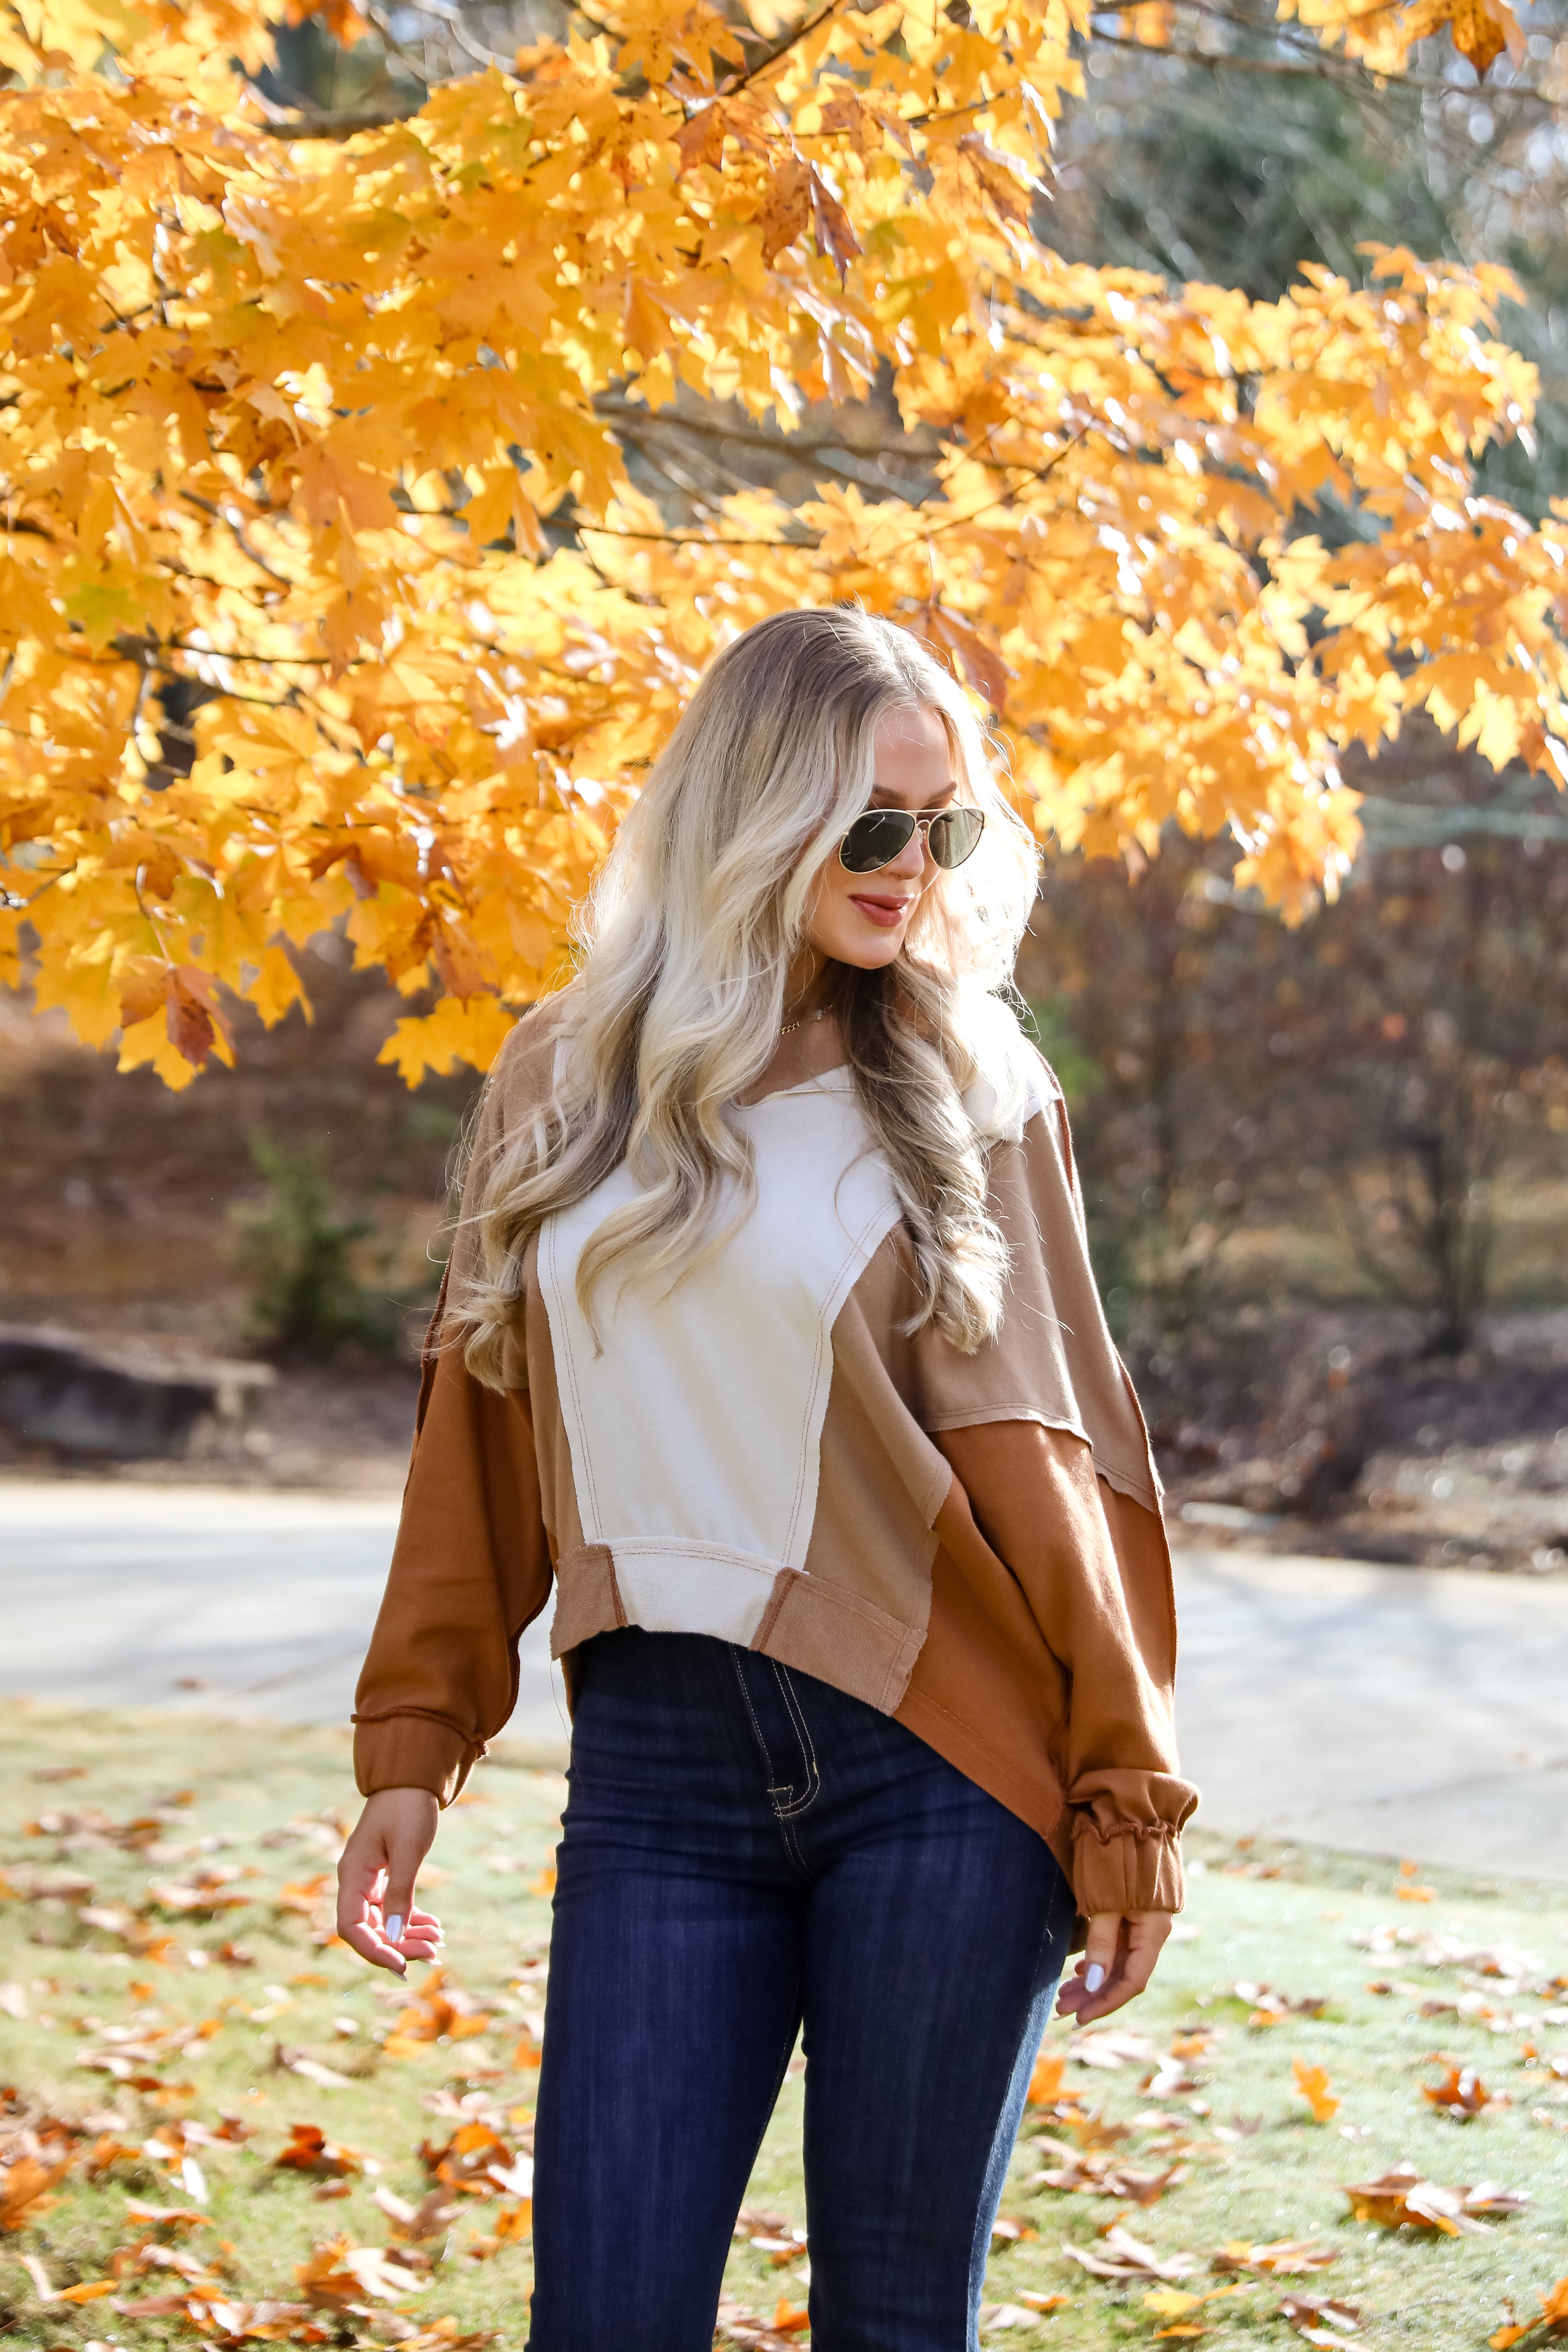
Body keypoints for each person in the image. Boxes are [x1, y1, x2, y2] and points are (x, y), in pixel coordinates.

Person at [336, 607, 1198, 2352]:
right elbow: (478, 1432)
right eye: (870, 824)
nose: (910, 869)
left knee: (892, 2321)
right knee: (606, 2315)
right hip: (654, 1776)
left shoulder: (971, 1087)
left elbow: (1061, 1467)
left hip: (939, 1775)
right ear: (752, 808)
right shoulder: (560, 1079)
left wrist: (1122, 1807)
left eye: (941, 827)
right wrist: (415, 1746)